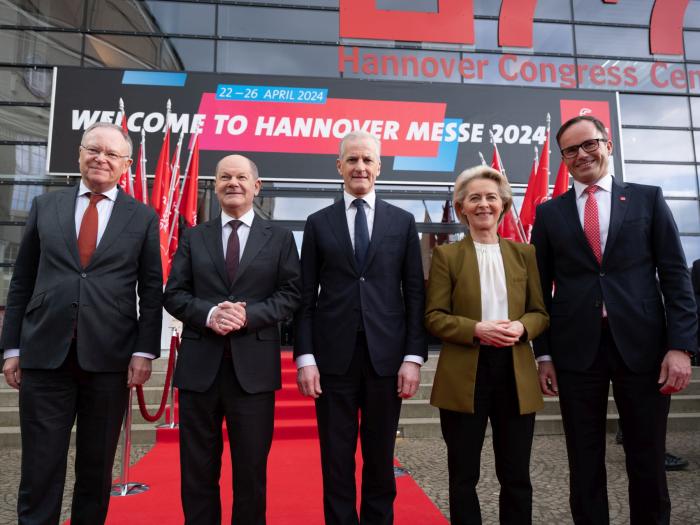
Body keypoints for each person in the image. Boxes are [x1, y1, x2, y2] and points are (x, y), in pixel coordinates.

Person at [531, 115, 697, 524]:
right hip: (575, 352)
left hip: (644, 349)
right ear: (564, 159)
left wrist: (681, 347)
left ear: (608, 145)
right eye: (571, 150)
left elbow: (675, 276)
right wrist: (544, 355)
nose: (582, 154)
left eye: (589, 144)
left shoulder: (647, 199)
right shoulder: (549, 214)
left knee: (647, 456)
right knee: (583, 459)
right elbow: (538, 290)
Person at [0, 122, 162, 524]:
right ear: (79, 154)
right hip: (44, 356)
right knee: (39, 468)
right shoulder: (45, 206)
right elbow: (22, 280)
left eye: (111, 154)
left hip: (109, 361)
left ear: (125, 165)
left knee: (95, 470)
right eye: (94, 149)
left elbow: (152, 289)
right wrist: (12, 347)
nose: (101, 159)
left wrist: (144, 351)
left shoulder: (141, 217)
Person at [295, 130, 427, 524]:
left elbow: (415, 293)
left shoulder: (402, 222)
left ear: (379, 167)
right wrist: (305, 358)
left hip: (387, 360)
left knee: (380, 455)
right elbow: (306, 298)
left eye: (368, 160)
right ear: (339, 166)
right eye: (352, 160)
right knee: (336, 458)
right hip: (333, 359)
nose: (360, 167)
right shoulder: (317, 223)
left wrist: (413, 357)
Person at [164, 154, 301, 525]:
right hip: (199, 370)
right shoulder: (194, 236)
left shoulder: (280, 238)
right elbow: (173, 293)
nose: (233, 183)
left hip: (253, 373)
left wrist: (247, 315)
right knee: (197, 471)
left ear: (257, 186)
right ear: (216, 184)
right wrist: (209, 314)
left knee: (251, 471)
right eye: (225, 177)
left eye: (242, 177)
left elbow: (291, 294)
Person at [425, 166, 549, 524]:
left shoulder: (525, 254)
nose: (484, 204)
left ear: (503, 204)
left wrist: (523, 328)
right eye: (474, 198)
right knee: (463, 477)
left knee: (517, 476)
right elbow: (433, 317)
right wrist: (476, 328)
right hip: (465, 374)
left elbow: (540, 312)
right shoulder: (447, 256)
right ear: (461, 207)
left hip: (515, 373)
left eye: (491, 197)